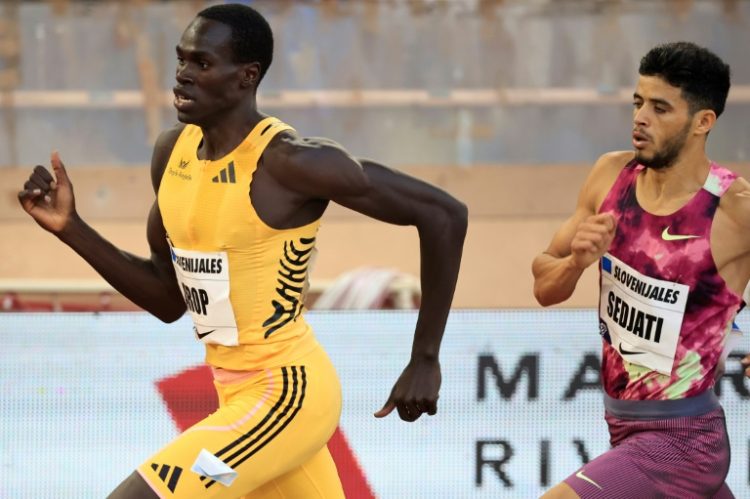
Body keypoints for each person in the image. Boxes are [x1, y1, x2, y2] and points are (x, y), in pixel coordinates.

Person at [18, 4, 468, 498]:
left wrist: (425, 356)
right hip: (236, 393)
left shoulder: (291, 162)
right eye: (181, 60)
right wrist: (71, 228)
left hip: (289, 393)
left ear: (246, 77)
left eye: (202, 64)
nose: (183, 76)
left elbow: (444, 215)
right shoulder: (173, 154)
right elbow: (169, 300)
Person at [532, 41, 750, 499]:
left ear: (702, 122)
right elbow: (544, 284)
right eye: (637, 102)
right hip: (621, 426)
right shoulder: (611, 175)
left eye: (660, 108)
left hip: (685, 440)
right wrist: (576, 262)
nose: (640, 118)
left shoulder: (732, 209)